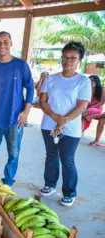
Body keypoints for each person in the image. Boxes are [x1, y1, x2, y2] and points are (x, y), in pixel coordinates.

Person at [39, 42, 91, 207]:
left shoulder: (83, 81)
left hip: (70, 129)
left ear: (79, 61)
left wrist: (64, 121)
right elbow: (43, 101)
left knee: (67, 159)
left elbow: (82, 105)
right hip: (48, 125)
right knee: (51, 156)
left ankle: (69, 192)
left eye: (73, 58)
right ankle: (50, 184)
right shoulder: (51, 78)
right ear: (61, 58)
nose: (68, 60)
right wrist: (56, 117)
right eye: (65, 57)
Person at [0, 31, 34, 186]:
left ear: (11, 43)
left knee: (13, 153)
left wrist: (25, 112)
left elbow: (30, 88)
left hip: (15, 118)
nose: (2, 45)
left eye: (5, 42)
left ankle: (8, 182)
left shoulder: (20, 65)